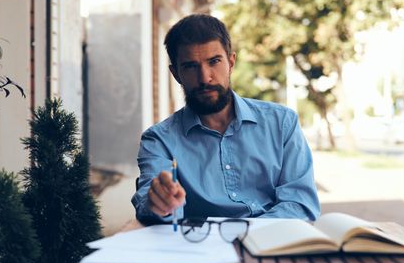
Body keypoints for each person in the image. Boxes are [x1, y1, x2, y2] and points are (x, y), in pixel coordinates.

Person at [131, 14, 320, 224]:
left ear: (231, 62)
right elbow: (148, 200)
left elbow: (300, 204)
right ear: (176, 74)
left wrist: (248, 235)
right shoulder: (158, 140)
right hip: (201, 250)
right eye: (191, 66)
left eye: (214, 62)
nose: (205, 77)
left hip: (271, 245)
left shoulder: (282, 123)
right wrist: (159, 202)